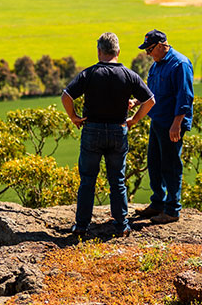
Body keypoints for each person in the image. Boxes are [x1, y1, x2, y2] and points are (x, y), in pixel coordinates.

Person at [61, 32, 155, 237]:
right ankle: (121, 225)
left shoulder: (90, 74)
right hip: (117, 131)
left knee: (87, 180)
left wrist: (74, 117)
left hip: (91, 130)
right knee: (117, 181)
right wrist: (134, 120)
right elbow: (149, 101)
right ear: (118, 52)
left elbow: (66, 96)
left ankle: (81, 226)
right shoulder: (129, 75)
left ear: (99, 51)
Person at [134, 29, 194, 224]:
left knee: (170, 165)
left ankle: (172, 210)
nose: (148, 55)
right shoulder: (157, 64)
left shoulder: (180, 64)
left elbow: (185, 96)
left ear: (161, 46)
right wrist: (137, 101)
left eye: (150, 50)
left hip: (171, 123)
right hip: (158, 120)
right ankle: (158, 203)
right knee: (154, 163)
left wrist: (177, 124)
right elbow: (152, 91)